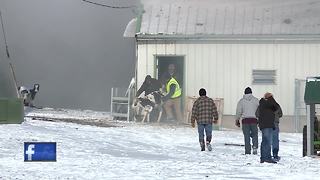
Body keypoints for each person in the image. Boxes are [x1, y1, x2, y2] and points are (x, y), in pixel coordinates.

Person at [235, 87, 259, 155]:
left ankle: (247, 151)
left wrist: (237, 120)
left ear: (244, 93)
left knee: (246, 136)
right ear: (251, 93)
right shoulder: (256, 100)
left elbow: (238, 111)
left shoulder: (241, 101)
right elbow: (259, 110)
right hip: (254, 120)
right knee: (255, 134)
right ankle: (255, 147)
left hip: (245, 121)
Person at [256, 92, 278, 163]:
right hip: (268, 125)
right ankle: (267, 157)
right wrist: (271, 98)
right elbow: (276, 107)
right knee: (268, 141)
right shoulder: (270, 104)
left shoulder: (262, 104)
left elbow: (257, 113)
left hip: (263, 125)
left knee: (264, 141)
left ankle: (263, 157)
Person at [271, 96, 283, 161]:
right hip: (275, 123)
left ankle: (266, 153)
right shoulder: (277, 105)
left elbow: (258, 114)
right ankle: (275, 153)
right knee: (275, 139)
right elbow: (281, 114)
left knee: (267, 139)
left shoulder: (264, 105)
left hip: (266, 124)